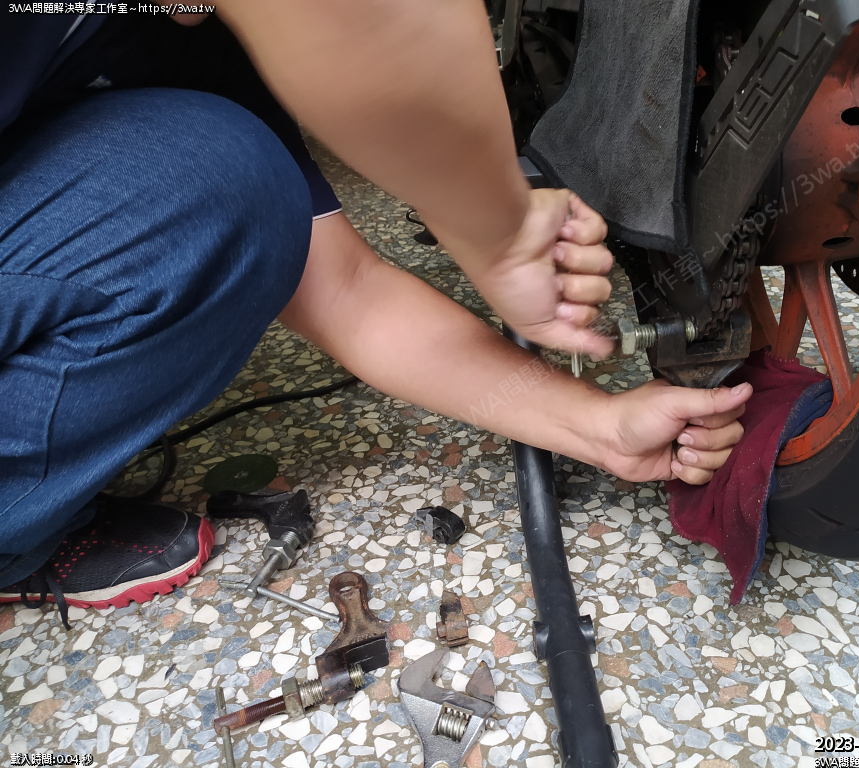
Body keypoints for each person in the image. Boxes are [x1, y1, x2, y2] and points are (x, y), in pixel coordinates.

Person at [0, 4, 750, 627]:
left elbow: (349, 293)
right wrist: (496, 225)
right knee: (216, 182)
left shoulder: (187, 43)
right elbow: (366, 16)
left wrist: (600, 428)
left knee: (227, 188)